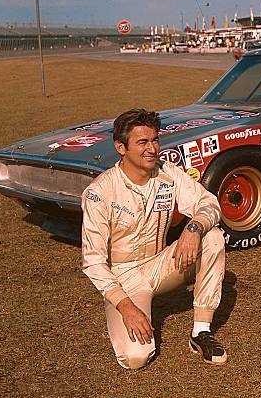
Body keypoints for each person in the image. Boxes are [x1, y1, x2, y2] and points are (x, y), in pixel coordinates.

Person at [81, 108, 227, 369]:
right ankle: (122, 309)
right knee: (135, 358)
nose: (152, 149)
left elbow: (210, 204)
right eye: (142, 142)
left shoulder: (167, 173)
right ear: (121, 147)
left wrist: (193, 228)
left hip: (160, 264)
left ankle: (200, 332)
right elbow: (93, 262)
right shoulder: (100, 192)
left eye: (155, 140)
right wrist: (126, 306)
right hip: (123, 278)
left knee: (212, 236)